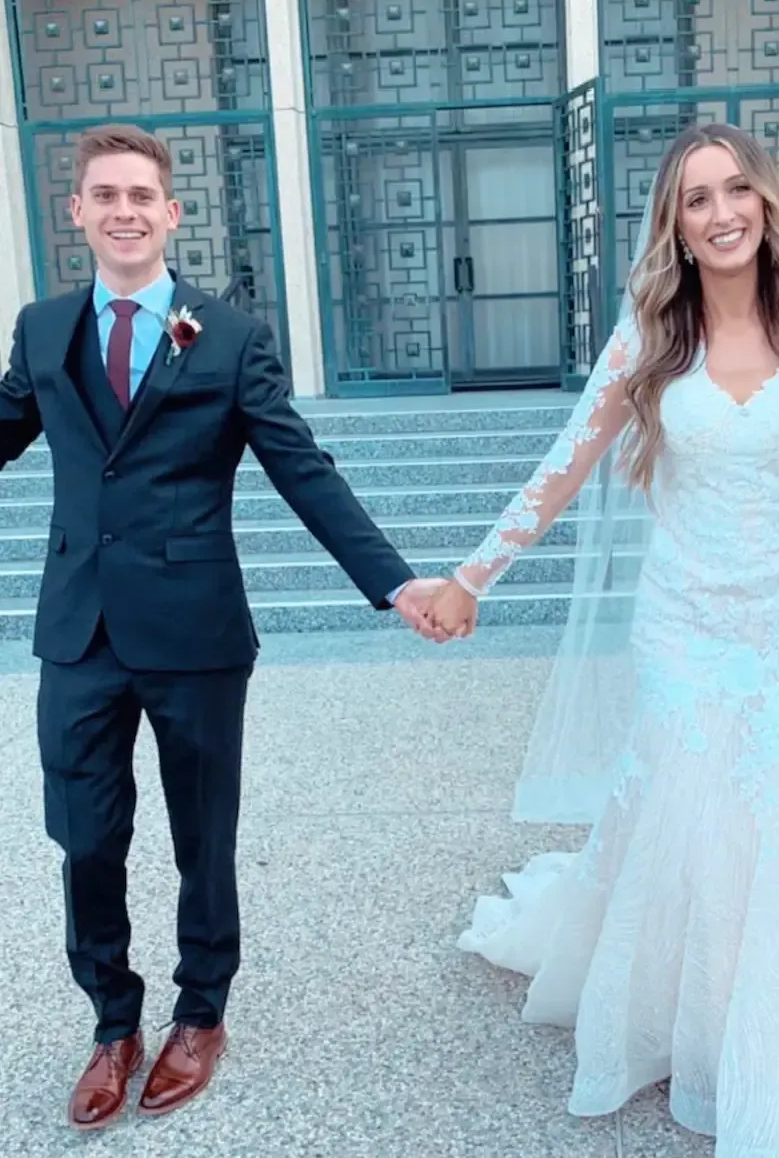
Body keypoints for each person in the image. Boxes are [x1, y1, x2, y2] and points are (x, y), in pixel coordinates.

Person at [424, 123, 779, 1154]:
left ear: (765, 203)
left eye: (736, 190)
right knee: (697, 817)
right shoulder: (648, 339)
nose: (720, 212)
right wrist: (468, 578)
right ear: (674, 227)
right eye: (695, 198)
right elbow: (562, 467)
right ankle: (703, 1015)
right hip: (682, 620)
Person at [0, 125, 446, 1130]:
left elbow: (301, 466)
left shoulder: (230, 336)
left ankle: (200, 1014)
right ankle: (113, 1019)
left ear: (170, 212)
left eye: (140, 195)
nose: (123, 209)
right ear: (76, 212)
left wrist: (391, 582)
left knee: (204, 836)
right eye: (103, 194)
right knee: (83, 835)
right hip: (77, 631)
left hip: (195, 630)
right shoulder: (41, 327)